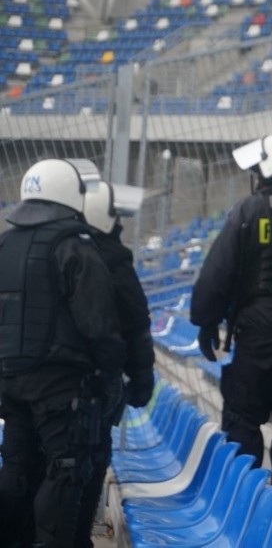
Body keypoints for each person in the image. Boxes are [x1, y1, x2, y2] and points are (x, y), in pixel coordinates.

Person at [0, 159, 128, 548]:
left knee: (18, 468)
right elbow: (100, 325)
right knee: (64, 473)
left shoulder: (4, 243)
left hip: (10, 384)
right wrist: (111, 380)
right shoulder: (74, 246)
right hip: (61, 389)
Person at [190, 132, 272, 493]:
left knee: (242, 421)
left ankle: (240, 500)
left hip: (256, 335)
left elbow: (217, 273)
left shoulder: (250, 208)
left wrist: (206, 321)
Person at [77, 177, 155, 547]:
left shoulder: (49, 250)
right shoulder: (113, 259)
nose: (120, 224)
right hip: (98, 387)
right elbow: (136, 326)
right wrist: (141, 384)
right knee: (88, 462)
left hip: (43, 385)